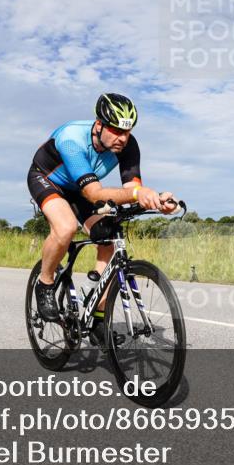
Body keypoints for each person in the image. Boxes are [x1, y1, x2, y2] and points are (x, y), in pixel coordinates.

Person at [27, 93, 179, 333]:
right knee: (66, 227)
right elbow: (94, 193)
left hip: (82, 189)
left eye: (126, 132)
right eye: (116, 131)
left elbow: (132, 189)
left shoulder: (128, 145)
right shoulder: (71, 139)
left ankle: (97, 313)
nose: (122, 138)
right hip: (48, 180)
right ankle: (45, 283)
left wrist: (157, 201)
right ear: (99, 125)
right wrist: (138, 195)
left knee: (109, 235)